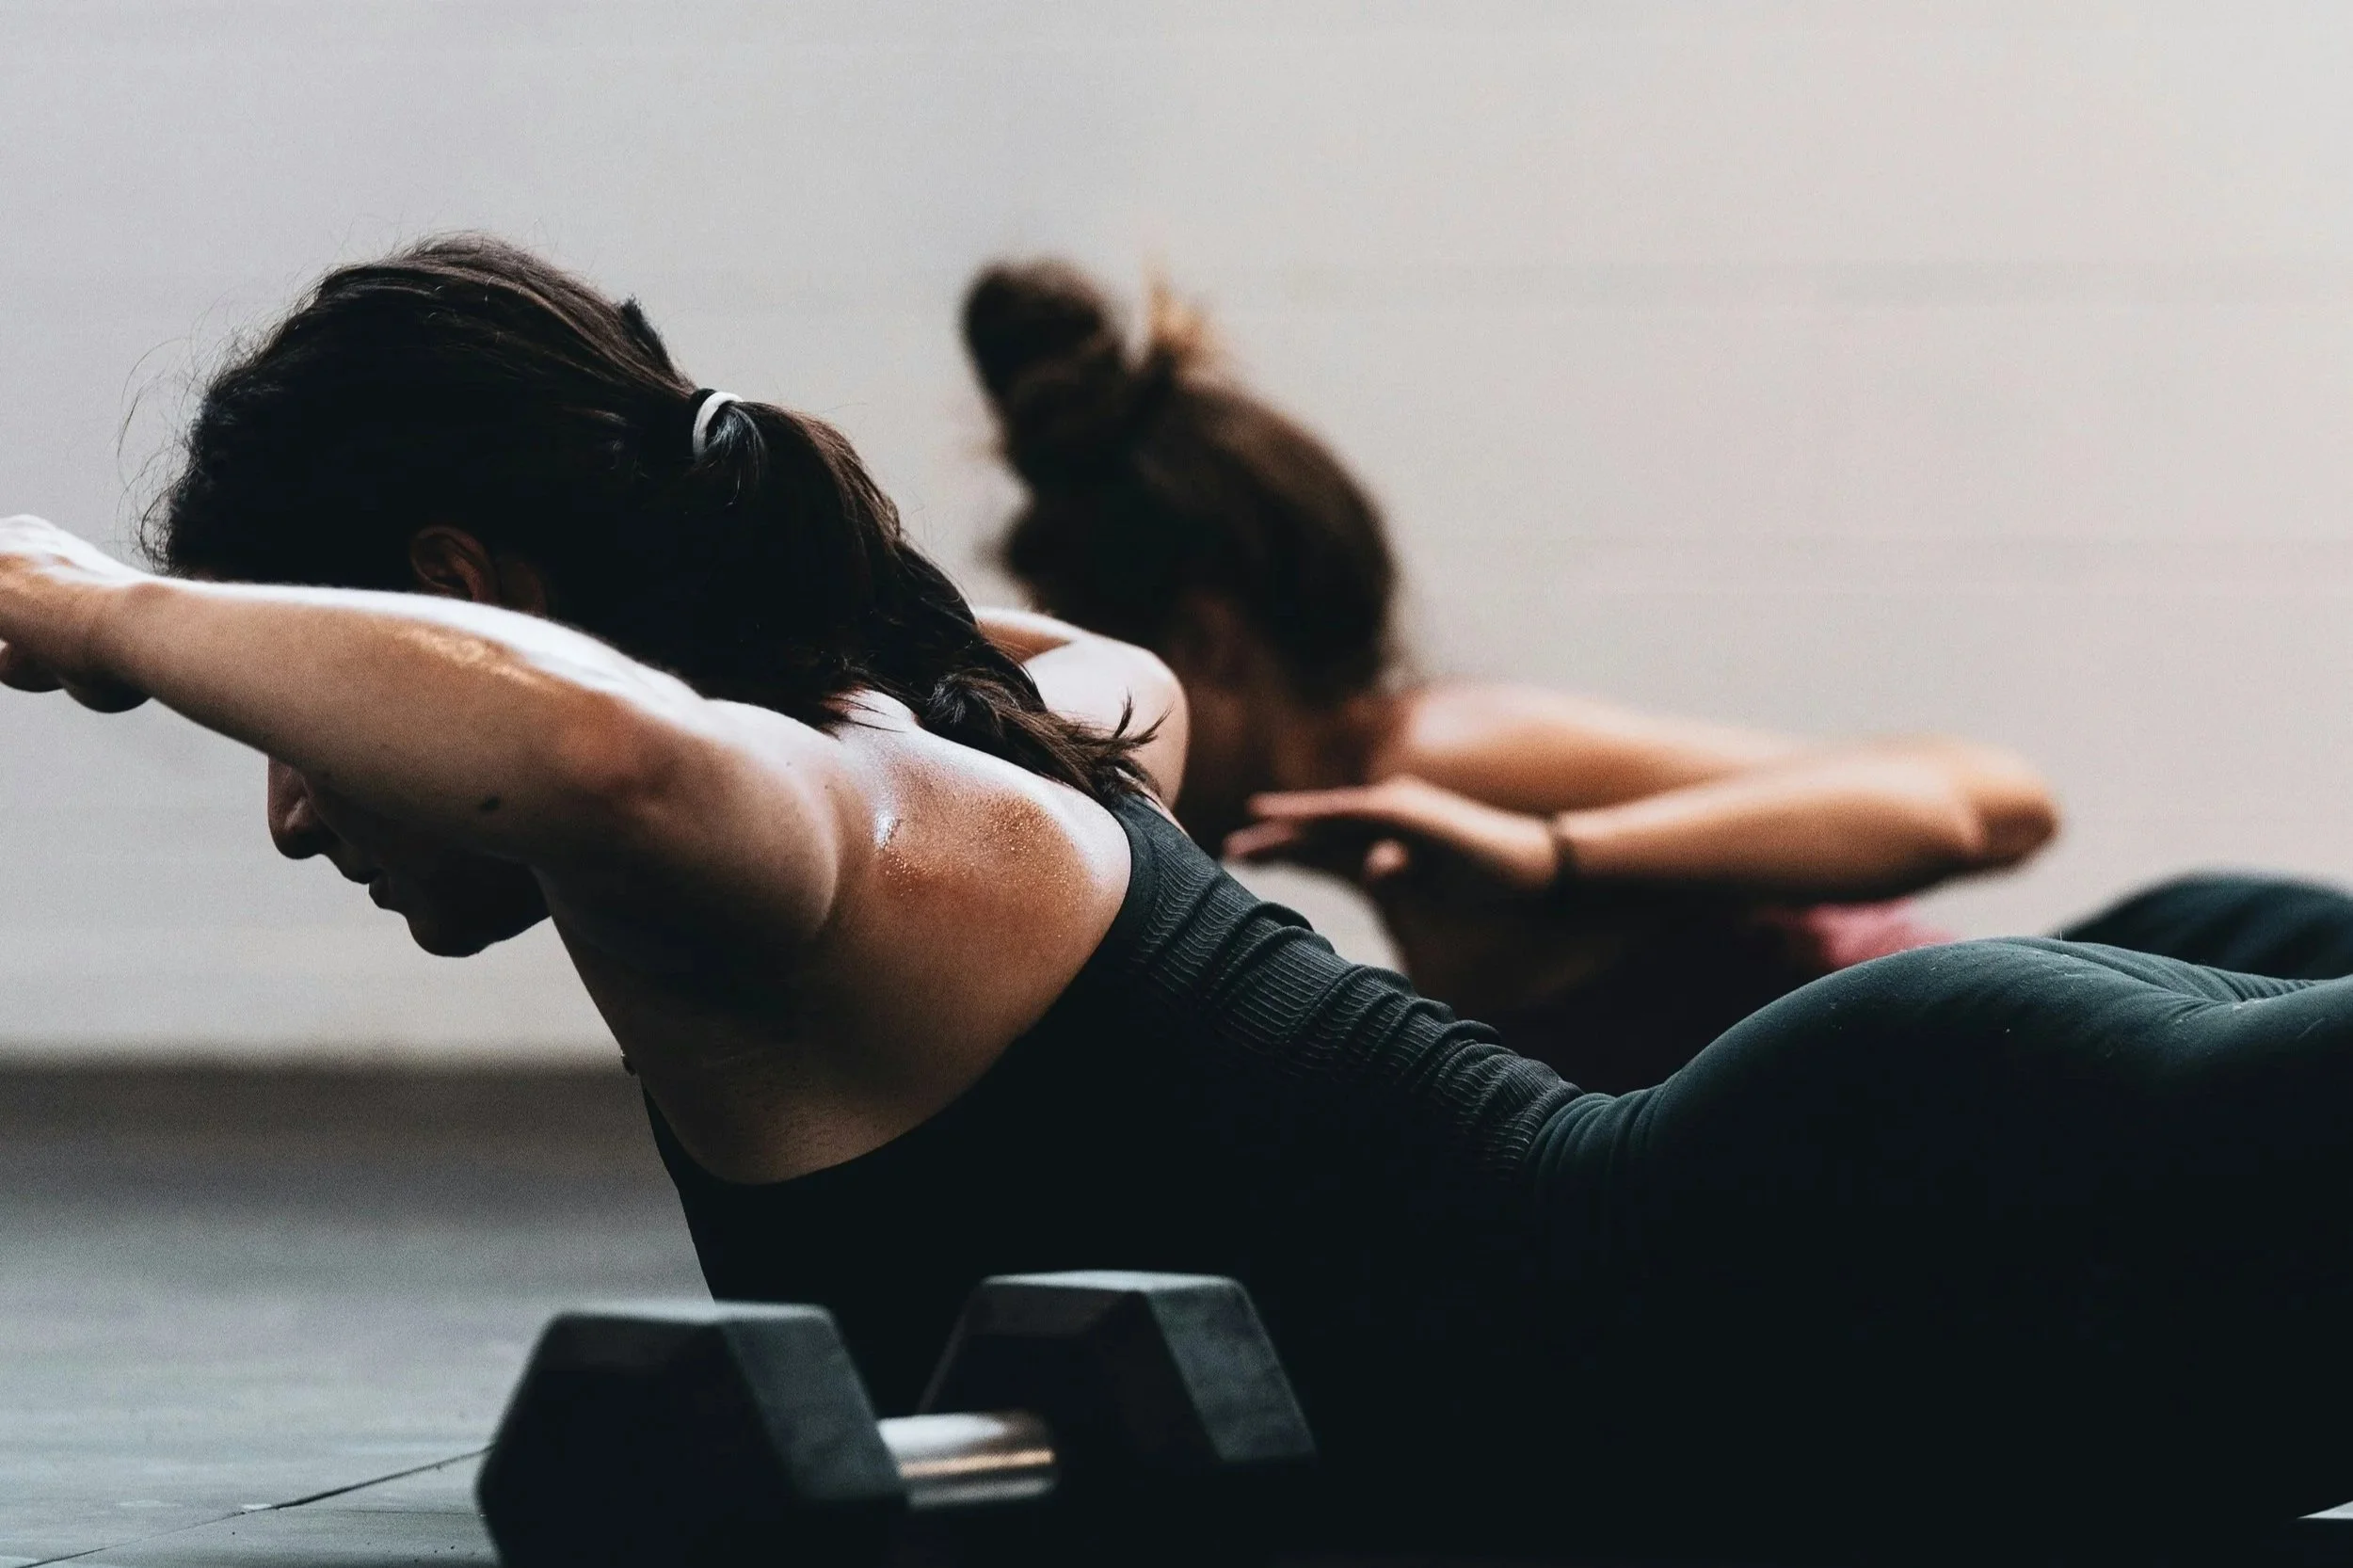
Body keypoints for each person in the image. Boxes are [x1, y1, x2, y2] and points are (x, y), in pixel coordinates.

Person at [10, 235, 2353, 1553]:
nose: (299, 809)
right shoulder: (1013, 718)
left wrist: (101, 612)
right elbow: (680, 691)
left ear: (453, 592)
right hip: (1872, 1279)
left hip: (1857, 1256)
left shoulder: (797, 828)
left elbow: (594, 740)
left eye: (300, 718)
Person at [962, 259, 2353, 1091]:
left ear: (1207, 642)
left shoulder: (1446, 759)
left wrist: (1557, 857)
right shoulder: (1400, 829)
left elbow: (1984, 804)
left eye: (1091, 681)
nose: (1076, 737)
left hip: (2173, 1013)